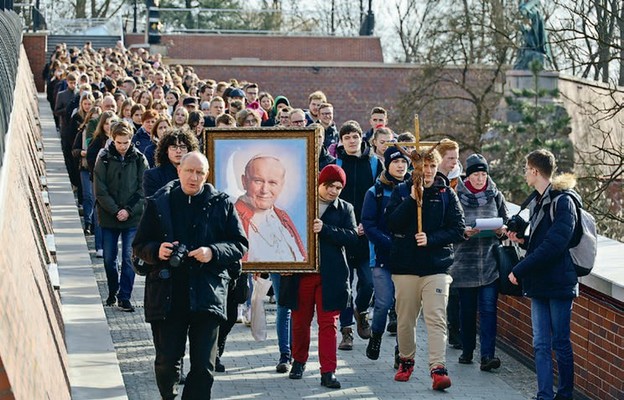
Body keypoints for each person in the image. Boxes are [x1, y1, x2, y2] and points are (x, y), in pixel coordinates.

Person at [132, 151, 248, 400]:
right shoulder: (158, 203)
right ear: (179, 171)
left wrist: (213, 251)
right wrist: (157, 250)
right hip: (168, 295)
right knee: (166, 363)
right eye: (189, 171)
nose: (194, 177)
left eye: (200, 173)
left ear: (207, 175)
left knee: (204, 368)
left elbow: (240, 244)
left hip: (207, 294)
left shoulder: (222, 203)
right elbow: (139, 245)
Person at [385, 147, 465, 389]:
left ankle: (437, 367)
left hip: (436, 267)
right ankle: (406, 359)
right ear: (414, 169)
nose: (428, 171)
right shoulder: (400, 191)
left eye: (431, 166)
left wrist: (431, 238)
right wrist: (411, 199)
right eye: (422, 167)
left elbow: (458, 229)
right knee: (406, 319)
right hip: (405, 266)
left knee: (436, 317)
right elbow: (391, 222)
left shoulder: (445, 193)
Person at [507, 149, 578, 400]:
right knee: (540, 344)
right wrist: (523, 239)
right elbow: (541, 242)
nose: (525, 174)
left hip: (558, 281)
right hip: (539, 283)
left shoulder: (563, 201)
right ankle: (544, 395)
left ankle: (565, 394)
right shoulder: (538, 201)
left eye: (526, 169)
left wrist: (520, 268)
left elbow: (555, 245)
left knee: (560, 342)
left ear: (535, 171)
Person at [280, 165, 357, 389]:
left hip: (331, 275)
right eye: (330, 185)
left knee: (328, 324)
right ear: (320, 183)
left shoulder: (345, 209)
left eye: (339, 187)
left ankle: (328, 371)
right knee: (300, 321)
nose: (334, 191)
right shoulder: (302, 203)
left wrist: (326, 229)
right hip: (302, 274)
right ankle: (299, 361)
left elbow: (352, 237)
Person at [449, 154, 508, 371]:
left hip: (490, 263)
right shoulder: (456, 195)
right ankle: (467, 351)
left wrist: (501, 230)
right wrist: (464, 231)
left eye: (483, 174)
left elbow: (506, 222)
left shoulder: (496, 195)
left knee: (489, 310)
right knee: (467, 310)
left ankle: (487, 356)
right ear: (468, 175)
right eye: (476, 174)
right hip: (464, 263)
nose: (480, 178)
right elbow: (450, 227)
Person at [334, 120, 383, 349]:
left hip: (367, 233)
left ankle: (361, 310)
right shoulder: (336, 163)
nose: (352, 141)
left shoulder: (374, 164)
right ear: (341, 141)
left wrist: (367, 223)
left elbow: (380, 197)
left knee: (368, 282)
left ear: (361, 138)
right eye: (347, 138)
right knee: (344, 284)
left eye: (355, 136)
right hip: (343, 232)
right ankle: (346, 331)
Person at [361, 146, 411, 361]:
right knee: (383, 303)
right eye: (396, 162)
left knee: (404, 306)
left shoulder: (414, 189)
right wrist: (389, 243)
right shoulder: (376, 192)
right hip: (382, 256)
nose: (400, 166)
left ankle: (402, 350)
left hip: (408, 257)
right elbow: (369, 224)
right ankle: (376, 336)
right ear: (388, 164)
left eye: (404, 162)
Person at [93, 120, 148, 312]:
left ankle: (124, 296)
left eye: (126, 142)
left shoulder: (139, 159)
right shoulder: (105, 158)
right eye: (119, 143)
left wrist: (128, 210)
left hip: (132, 218)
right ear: (112, 140)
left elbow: (143, 190)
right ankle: (112, 289)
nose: (123, 146)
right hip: (109, 217)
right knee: (109, 259)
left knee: (127, 258)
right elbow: (100, 189)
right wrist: (115, 210)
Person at [234, 155, 306, 263]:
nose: (265, 190)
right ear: (244, 181)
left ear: (281, 185)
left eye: (272, 183)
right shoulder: (231, 217)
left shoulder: (282, 217)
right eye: (258, 181)